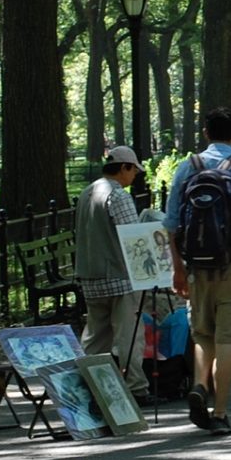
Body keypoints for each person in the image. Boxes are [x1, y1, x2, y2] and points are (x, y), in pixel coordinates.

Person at [164, 108, 231, 435]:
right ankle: (220, 411)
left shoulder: (188, 167)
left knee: (202, 333)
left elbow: (171, 223)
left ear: (205, 132)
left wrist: (178, 269)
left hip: (197, 265)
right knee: (228, 338)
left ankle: (199, 384)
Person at [72, 145, 147, 396]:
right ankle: (135, 387)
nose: (135, 175)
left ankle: (84, 383)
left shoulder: (88, 192)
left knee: (95, 336)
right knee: (128, 335)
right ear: (124, 167)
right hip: (119, 277)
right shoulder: (118, 195)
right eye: (134, 170)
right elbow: (133, 238)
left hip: (90, 275)